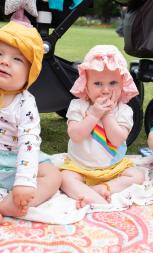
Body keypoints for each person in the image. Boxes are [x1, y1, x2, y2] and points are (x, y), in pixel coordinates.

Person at [60, 45, 145, 208]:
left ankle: (102, 189)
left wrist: (107, 115)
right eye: (98, 83)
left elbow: (117, 139)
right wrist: (93, 115)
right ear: (86, 86)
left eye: (113, 83)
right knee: (64, 178)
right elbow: (75, 135)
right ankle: (95, 199)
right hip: (80, 167)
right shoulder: (77, 106)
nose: (105, 90)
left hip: (114, 168)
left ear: (122, 85)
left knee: (137, 175)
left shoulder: (124, 111)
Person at [0, 9, 61, 223]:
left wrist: (25, 181)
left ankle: (10, 204)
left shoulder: (25, 103)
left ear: (30, 74)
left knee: (53, 176)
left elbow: (29, 141)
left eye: (17, 59)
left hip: (19, 160)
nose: (5, 61)